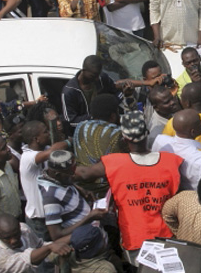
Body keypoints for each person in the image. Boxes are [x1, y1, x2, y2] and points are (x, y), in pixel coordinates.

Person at [75, 111, 183, 265]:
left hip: (135, 238)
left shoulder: (114, 163)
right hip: (167, 235)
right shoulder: (171, 161)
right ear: (146, 135)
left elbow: (84, 173)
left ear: (124, 139)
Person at [19, 121, 69, 273]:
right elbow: (57, 149)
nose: (48, 134)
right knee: (46, 268)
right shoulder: (28, 158)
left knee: (58, 260)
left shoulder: (43, 150)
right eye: (45, 132)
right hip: (38, 222)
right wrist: (62, 140)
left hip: (51, 217)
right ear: (35, 139)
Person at [37, 150, 107, 241]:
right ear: (58, 174)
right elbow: (57, 235)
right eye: (71, 173)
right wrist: (89, 218)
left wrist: (77, 188)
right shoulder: (51, 198)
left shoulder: (59, 180)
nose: (74, 176)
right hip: (86, 240)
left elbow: (64, 183)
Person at [61, 55, 119, 129]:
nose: (97, 78)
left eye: (98, 75)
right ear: (84, 70)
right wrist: (94, 116)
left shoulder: (101, 78)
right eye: (93, 76)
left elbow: (115, 92)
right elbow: (71, 121)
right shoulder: (69, 92)